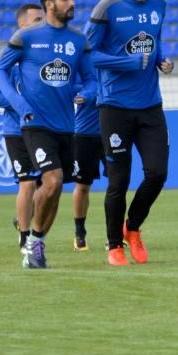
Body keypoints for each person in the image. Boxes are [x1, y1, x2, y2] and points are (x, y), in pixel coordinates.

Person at [0, 0, 96, 269]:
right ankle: (31, 239)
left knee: (56, 187)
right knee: (52, 179)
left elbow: (91, 80)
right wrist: (18, 102)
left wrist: (86, 94)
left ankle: (36, 243)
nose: (72, 2)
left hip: (67, 125)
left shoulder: (79, 41)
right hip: (35, 124)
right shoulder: (26, 37)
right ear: (50, 4)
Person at [87, 0, 173, 266]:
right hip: (115, 107)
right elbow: (89, 54)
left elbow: (155, 39)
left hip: (150, 105)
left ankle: (132, 228)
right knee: (119, 180)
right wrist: (128, 61)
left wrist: (162, 59)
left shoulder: (159, 4)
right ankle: (113, 245)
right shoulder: (108, 8)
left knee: (157, 173)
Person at [0, 3, 45, 248]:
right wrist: (20, 104)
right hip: (15, 130)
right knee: (28, 182)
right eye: (36, 20)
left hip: (44, 129)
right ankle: (24, 237)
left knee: (47, 184)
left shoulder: (45, 56)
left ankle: (23, 218)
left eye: (43, 19)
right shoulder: (7, 60)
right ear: (21, 26)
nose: (41, 24)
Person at [70, 97, 103, 251]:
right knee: (83, 186)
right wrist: (87, 92)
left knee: (118, 183)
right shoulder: (81, 74)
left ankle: (115, 235)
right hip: (85, 134)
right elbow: (74, 90)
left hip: (113, 130)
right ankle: (80, 232)